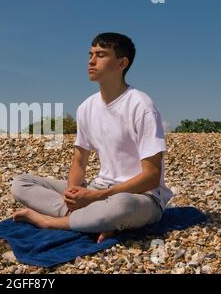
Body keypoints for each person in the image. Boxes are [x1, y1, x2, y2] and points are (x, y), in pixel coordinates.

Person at [11, 32, 173, 243]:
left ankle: (52, 221)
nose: (91, 60)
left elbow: (151, 176)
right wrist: (72, 196)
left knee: (121, 206)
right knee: (20, 183)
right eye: (90, 54)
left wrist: (98, 197)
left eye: (101, 55)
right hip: (98, 189)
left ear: (121, 63)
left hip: (141, 197)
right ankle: (91, 220)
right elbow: (79, 161)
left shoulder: (141, 106)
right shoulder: (86, 107)